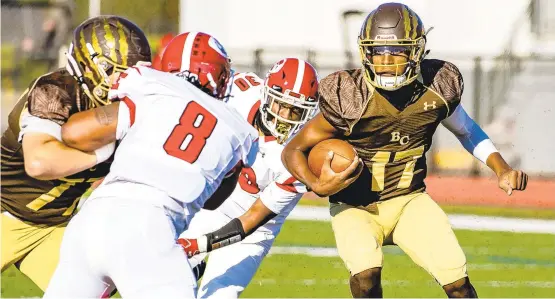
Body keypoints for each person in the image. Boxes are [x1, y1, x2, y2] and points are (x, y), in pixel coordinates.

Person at [280, 3, 528, 298]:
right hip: (356, 207)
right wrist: (316, 183)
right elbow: (293, 149)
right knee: (366, 275)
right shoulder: (351, 97)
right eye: (377, 51)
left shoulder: (436, 87)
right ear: (365, 52)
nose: (385, 61)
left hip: (409, 201)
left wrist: (501, 168)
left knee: (458, 282)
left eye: (396, 50)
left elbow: (466, 129)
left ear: (417, 51)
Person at [42, 31, 259, 298]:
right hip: (150, 226)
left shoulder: (149, 84)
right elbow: (213, 202)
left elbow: (74, 133)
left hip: (91, 219)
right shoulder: (239, 130)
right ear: (220, 76)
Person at [1, 15, 151, 291]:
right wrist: (100, 154)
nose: (127, 82)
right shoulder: (55, 90)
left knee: (94, 290)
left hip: (53, 227)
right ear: (93, 66)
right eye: (119, 72)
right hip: (4, 215)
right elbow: (38, 162)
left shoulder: (131, 108)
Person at [177, 58, 320, 298]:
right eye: (280, 105)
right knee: (165, 281)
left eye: (295, 111)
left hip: (254, 230)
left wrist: (196, 246)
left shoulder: (303, 157)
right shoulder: (238, 93)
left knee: (219, 295)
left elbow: (252, 220)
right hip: (211, 205)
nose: (285, 116)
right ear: (265, 95)